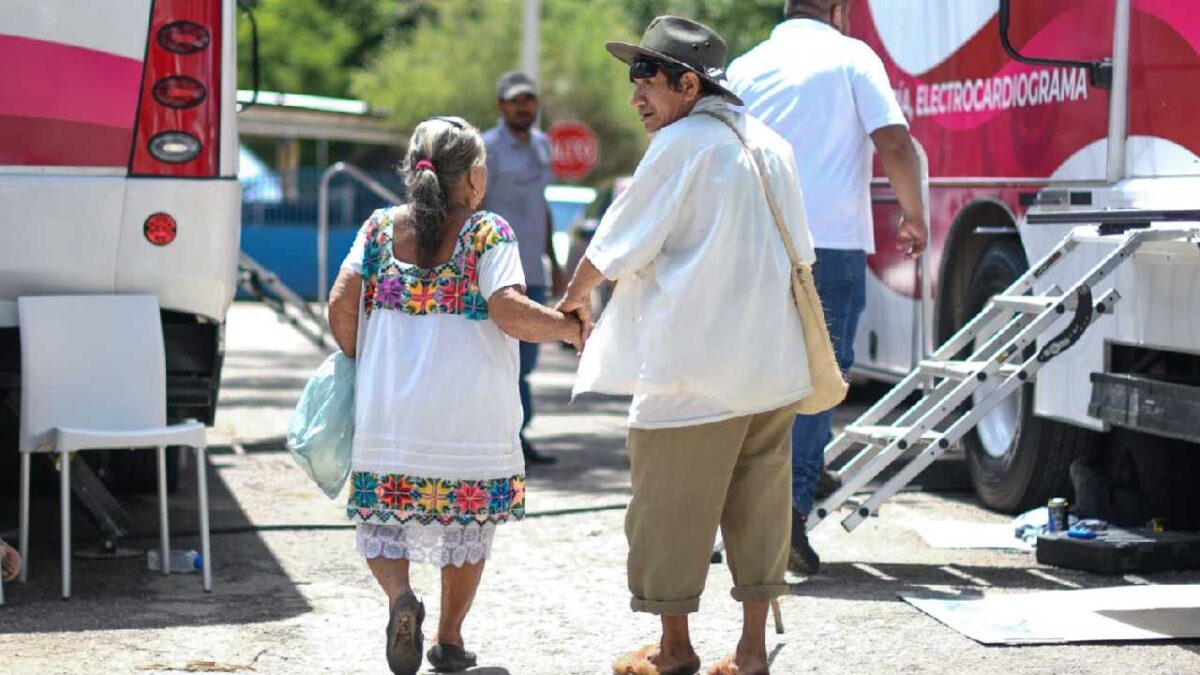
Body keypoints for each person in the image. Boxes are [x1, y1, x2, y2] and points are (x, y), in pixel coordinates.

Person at [559, 17, 816, 675]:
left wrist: (574, 298)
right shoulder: (773, 144)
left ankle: (675, 649)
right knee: (761, 509)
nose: (635, 95)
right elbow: (803, 252)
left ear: (688, 84)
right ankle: (752, 652)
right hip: (772, 367)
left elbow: (616, 243)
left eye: (646, 78)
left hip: (692, 371)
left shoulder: (680, 145)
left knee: (666, 508)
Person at [327, 117, 581, 675]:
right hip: (468, 418)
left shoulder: (378, 228)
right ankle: (448, 638)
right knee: (466, 528)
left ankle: (400, 597)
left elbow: (341, 301)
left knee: (381, 521)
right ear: (473, 176)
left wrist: (365, 362)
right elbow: (508, 310)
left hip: (389, 417)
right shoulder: (489, 232)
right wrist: (569, 327)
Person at [728, 0, 928, 575]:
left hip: (755, 244)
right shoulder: (852, 56)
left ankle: (752, 504)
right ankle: (788, 512)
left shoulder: (746, 66)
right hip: (828, 245)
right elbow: (894, 142)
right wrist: (914, 215)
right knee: (818, 376)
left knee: (760, 378)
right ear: (838, 10)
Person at [481, 71, 564, 466]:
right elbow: (475, 205)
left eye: (529, 99)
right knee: (494, 359)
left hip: (532, 270)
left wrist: (555, 261)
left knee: (525, 362)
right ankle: (492, 438)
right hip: (497, 274)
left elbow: (541, 205)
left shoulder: (543, 145)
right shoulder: (487, 147)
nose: (523, 107)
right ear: (501, 105)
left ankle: (516, 436)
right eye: (515, 100)